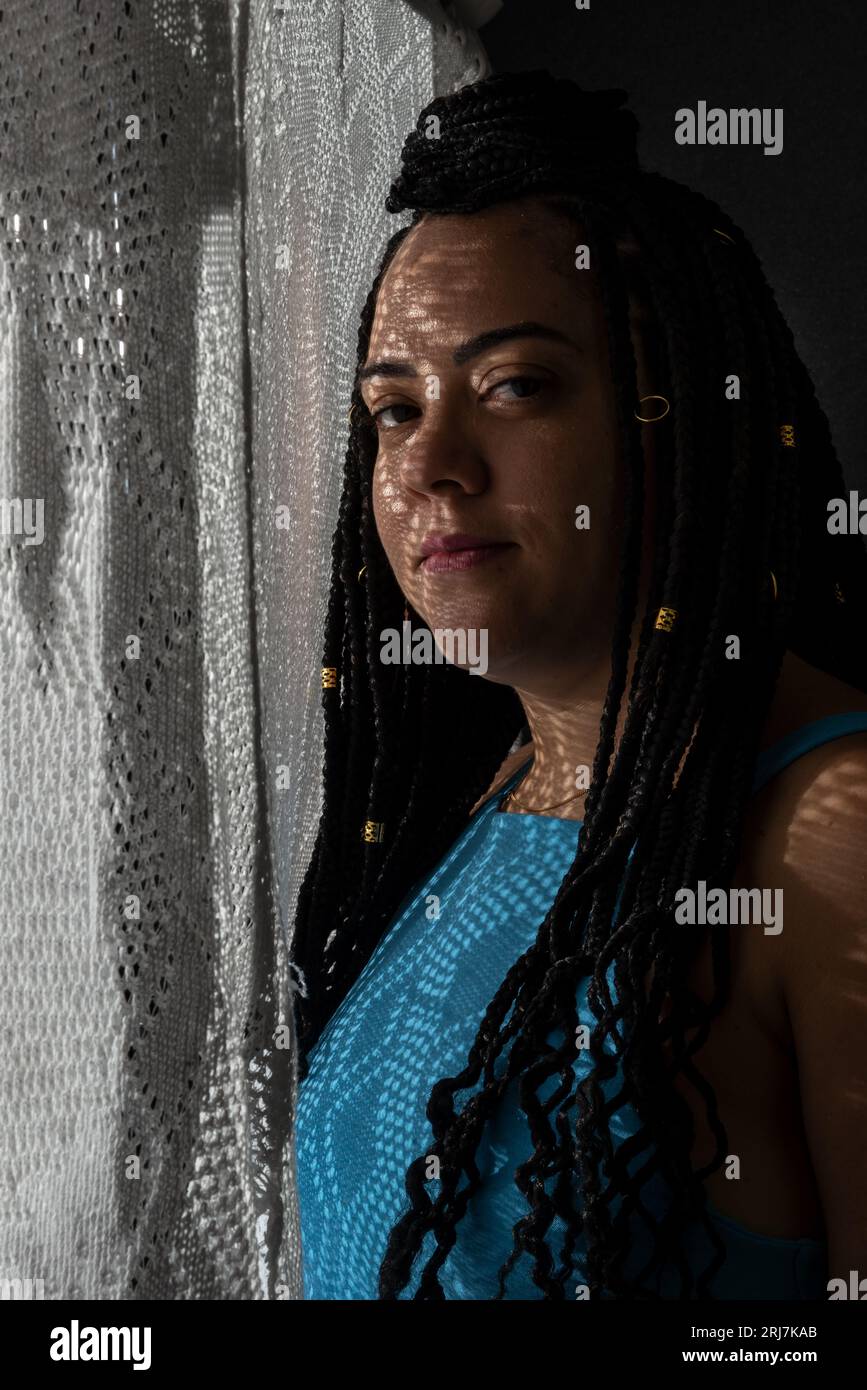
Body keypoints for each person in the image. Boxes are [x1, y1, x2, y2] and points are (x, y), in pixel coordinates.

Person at [290, 69, 867, 1299]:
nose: (430, 465)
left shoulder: (831, 835)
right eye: (391, 411)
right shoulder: (479, 791)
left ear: (674, 416)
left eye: (513, 386)